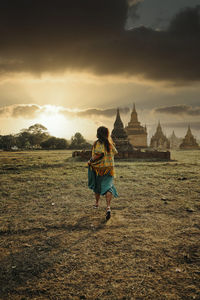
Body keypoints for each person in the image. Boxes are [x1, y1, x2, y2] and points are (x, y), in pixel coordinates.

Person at [88, 126, 118, 220]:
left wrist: (90, 160)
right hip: (109, 168)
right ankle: (108, 207)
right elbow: (115, 152)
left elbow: (99, 153)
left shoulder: (98, 143)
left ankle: (97, 204)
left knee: (97, 185)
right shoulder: (109, 143)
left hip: (99, 168)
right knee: (108, 187)